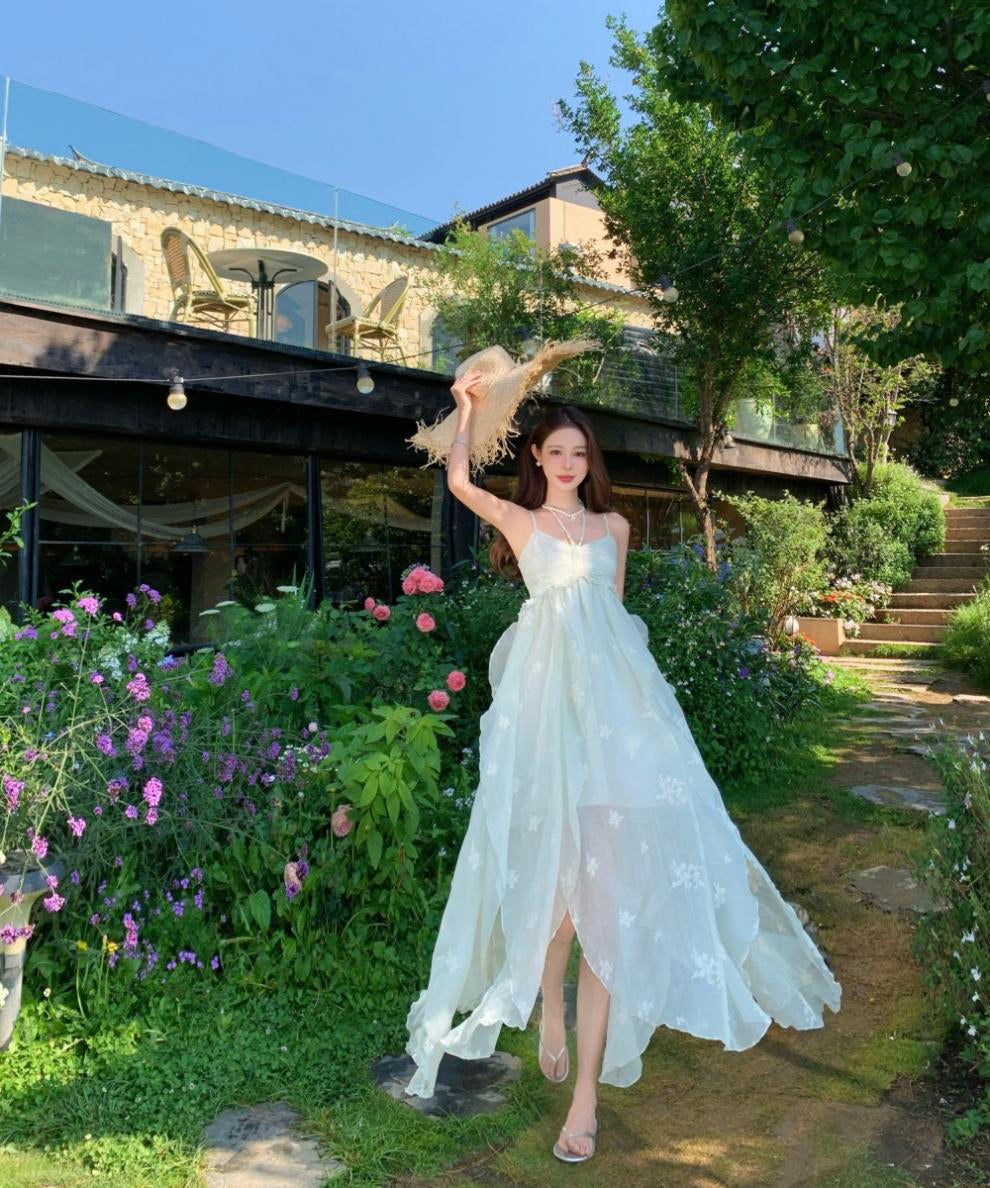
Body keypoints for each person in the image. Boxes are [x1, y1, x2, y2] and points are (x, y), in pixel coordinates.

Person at [403, 364, 841, 1164]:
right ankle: (551, 1006)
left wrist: (648, 730)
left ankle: (585, 1101)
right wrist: (467, 409)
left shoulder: (615, 531)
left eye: (580, 452)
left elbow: (618, 631)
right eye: (556, 452)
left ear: (588, 460)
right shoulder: (522, 522)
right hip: (546, 733)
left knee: (602, 911)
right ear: (536, 458)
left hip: (618, 732)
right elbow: (460, 480)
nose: (570, 463)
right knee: (559, 915)